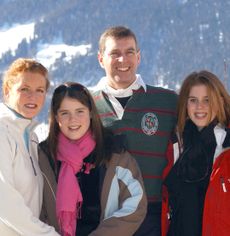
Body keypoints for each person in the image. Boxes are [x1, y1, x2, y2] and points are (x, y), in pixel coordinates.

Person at [91, 26, 178, 235]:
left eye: (129, 52)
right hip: (106, 216)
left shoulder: (167, 101)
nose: (123, 60)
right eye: (114, 53)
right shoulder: (86, 106)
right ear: (101, 59)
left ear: (138, 57)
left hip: (153, 215)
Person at [39, 82, 147, 236]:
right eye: (64, 113)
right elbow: (36, 208)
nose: (73, 119)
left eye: (79, 111)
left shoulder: (113, 152)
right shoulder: (44, 156)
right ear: (56, 117)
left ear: (90, 112)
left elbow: (135, 204)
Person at [161, 70, 230, 236]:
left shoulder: (226, 146)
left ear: (219, 101)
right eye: (193, 100)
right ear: (185, 103)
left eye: (207, 100)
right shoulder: (176, 143)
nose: (200, 107)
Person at [0, 58, 60, 235]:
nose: (32, 97)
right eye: (24, 89)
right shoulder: (2, 132)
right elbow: (4, 201)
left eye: (39, 90)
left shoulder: (31, 136)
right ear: (7, 91)